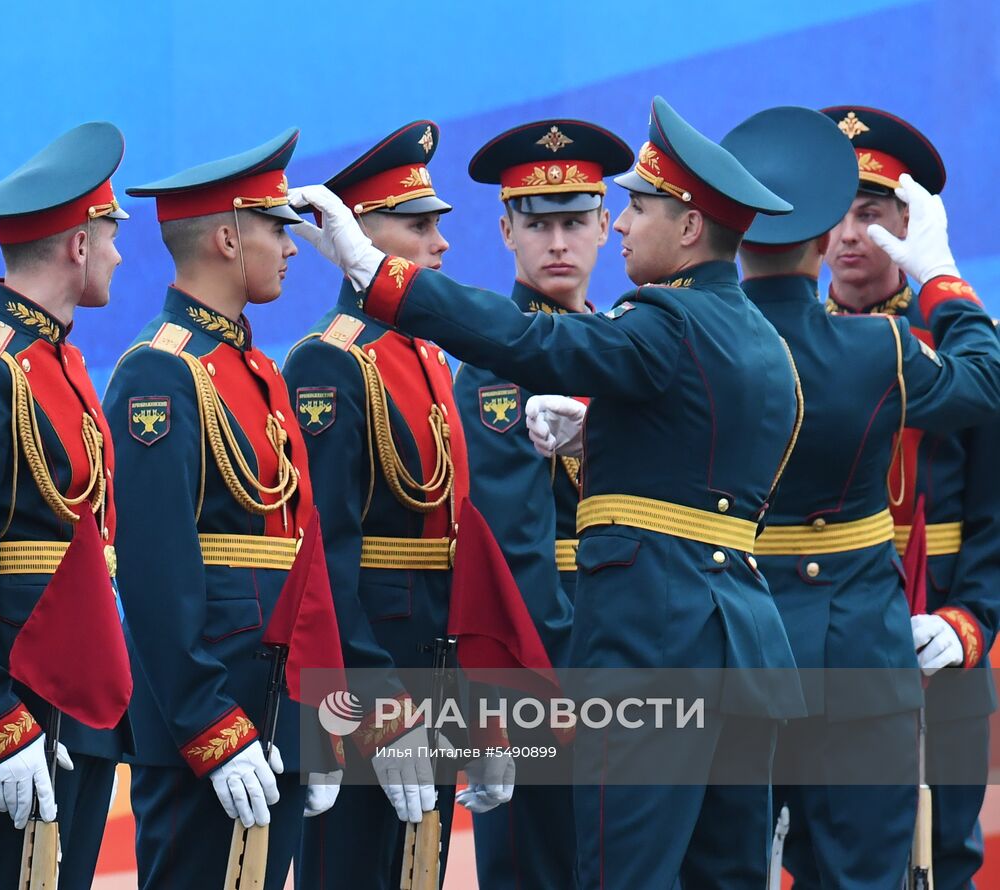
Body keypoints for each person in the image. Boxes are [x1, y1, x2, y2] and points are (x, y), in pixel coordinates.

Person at [290, 95, 808, 888]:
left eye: (634, 206)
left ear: (692, 227)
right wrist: (600, 439)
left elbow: (531, 339)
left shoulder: (662, 323)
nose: (624, 225)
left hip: (641, 655)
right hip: (738, 651)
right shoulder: (762, 343)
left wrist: (370, 269)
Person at [103, 129, 340, 890]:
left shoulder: (253, 368)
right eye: (278, 227)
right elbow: (154, 572)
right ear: (229, 236)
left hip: (274, 710)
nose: (292, 247)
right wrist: (210, 724)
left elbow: (299, 557)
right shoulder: (159, 373)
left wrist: (320, 720)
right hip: (209, 719)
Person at [283, 119, 512, 889]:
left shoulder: (427, 356)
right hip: (366, 664)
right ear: (363, 240)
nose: (440, 245)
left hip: (437, 656)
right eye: (418, 228)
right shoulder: (329, 361)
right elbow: (327, 552)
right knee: (351, 867)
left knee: (420, 870)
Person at [0, 120, 132, 890]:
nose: (121, 254)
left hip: (77, 694)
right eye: (111, 235)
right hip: (24, 696)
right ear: (78, 245)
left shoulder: (60, 359)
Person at [820, 104, 1000, 889]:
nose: (851, 234)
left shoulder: (960, 350)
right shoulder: (784, 345)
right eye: (835, 213)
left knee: (946, 856)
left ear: (910, 223)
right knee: (818, 857)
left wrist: (969, 625)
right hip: (819, 649)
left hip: (940, 644)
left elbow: (995, 512)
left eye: (873, 213)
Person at [452, 118, 634, 889]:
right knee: (541, 865)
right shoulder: (498, 356)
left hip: (626, 642)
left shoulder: (625, 341)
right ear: (506, 233)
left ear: (603, 226)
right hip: (546, 658)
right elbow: (516, 542)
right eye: (538, 225)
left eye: (572, 222)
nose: (557, 242)